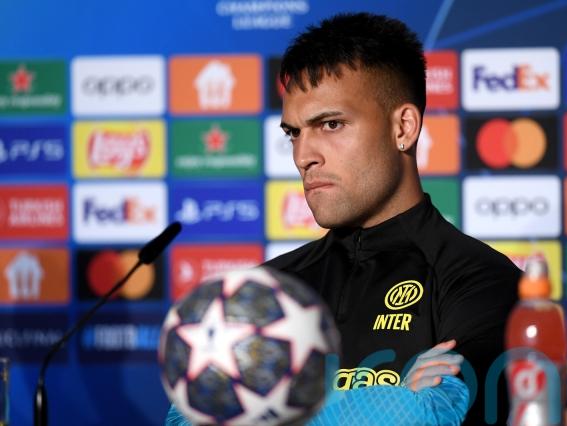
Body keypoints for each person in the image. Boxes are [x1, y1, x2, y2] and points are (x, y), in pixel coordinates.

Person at [167, 12, 520, 425]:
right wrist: (394, 403)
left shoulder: (483, 282)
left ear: (403, 128)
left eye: (331, 124)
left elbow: (438, 413)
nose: (303, 156)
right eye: (294, 133)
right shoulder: (265, 290)